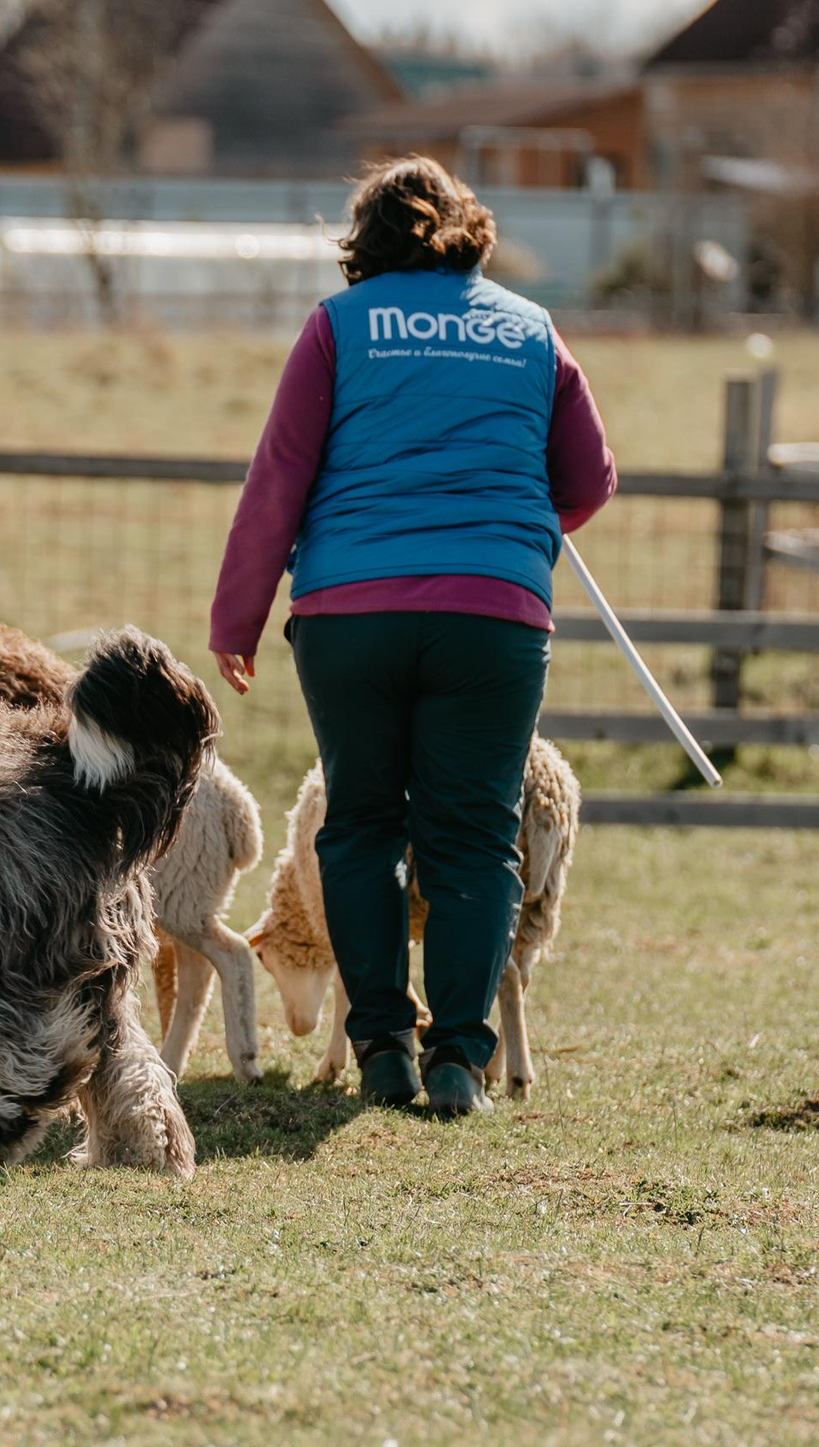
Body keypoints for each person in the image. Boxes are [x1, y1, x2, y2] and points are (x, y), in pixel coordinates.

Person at [208, 156, 615, 1116]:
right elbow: (590, 478)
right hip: (493, 616)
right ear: (470, 228)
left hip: (352, 613)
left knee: (360, 827)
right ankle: (461, 1063)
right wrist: (514, 533)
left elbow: (280, 479)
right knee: (476, 837)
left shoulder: (338, 329)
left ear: (364, 243)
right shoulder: (530, 330)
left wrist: (239, 617)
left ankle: (383, 1045)